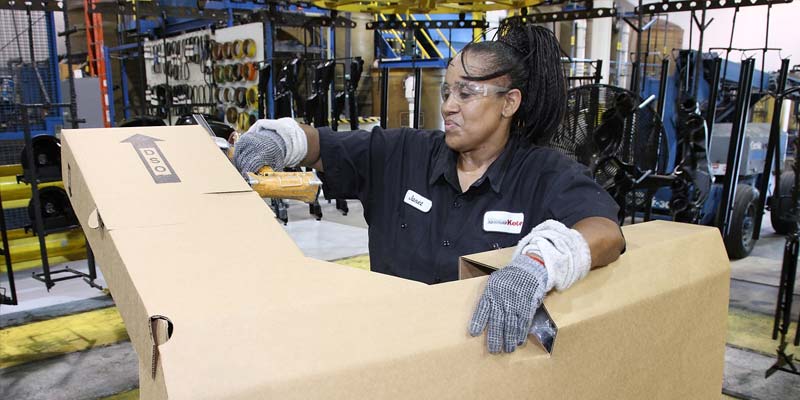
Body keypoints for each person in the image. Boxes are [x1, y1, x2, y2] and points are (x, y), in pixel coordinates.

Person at [233, 21, 625, 354]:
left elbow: (604, 230)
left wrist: (538, 264)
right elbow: (320, 143)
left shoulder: (543, 172)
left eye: (467, 93)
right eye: (448, 91)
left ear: (509, 103)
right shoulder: (401, 153)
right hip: (389, 352)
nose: (449, 105)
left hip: (481, 368)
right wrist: (283, 139)